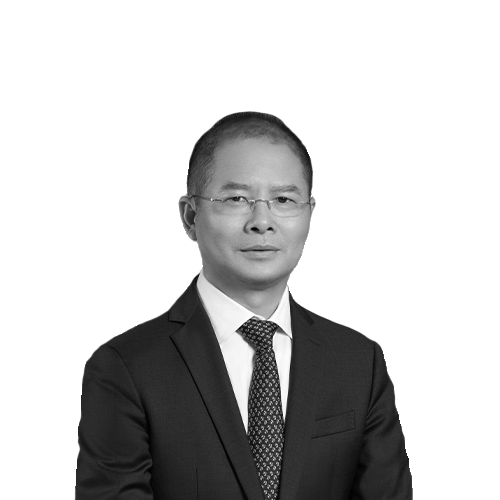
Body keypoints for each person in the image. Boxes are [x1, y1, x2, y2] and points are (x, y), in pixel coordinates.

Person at [76, 109, 412, 499]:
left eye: (284, 199)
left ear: (311, 213)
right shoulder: (125, 367)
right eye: (237, 198)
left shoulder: (360, 361)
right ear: (189, 216)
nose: (261, 222)